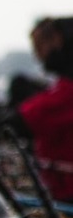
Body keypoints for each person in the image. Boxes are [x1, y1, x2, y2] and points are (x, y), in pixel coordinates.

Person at [18, 17, 73, 202]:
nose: (37, 56)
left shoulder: (64, 94)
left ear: (57, 40)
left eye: (39, 48)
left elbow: (32, 117)